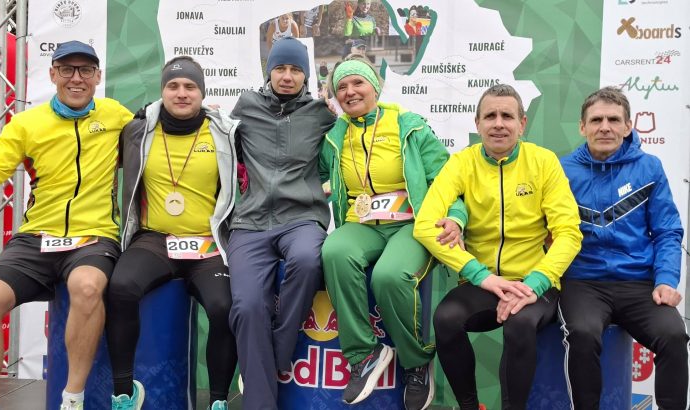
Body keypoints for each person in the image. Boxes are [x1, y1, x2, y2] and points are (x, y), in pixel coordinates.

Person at [0, 41, 132, 410]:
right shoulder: (27, 123)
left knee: (87, 287)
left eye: (85, 70)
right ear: (53, 74)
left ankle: (72, 399)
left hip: (93, 237)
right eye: (67, 69)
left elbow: (160, 133)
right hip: (36, 238)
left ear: (98, 76)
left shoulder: (116, 115)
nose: (76, 78)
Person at [413, 84, 583, 410]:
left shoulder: (543, 162)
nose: (499, 123)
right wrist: (481, 276)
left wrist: (535, 283)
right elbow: (425, 225)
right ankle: (469, 407)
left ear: (522, 123)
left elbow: (569, 233)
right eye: (490, 116)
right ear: (477, 124)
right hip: (484, 282)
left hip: (534, 283)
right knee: (446, 318)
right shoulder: (462, 163)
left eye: (507, 116)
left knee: (519, 324)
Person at [319, 56, 466, 409]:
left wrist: (456, 217)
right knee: (334, 252)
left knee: (388, 276)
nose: (350, 92)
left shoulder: (409, 126)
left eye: (358, 83)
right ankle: (363, 355)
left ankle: (417, 363)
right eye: (342, 87)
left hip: (411, 224)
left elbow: (448, 179)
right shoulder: (334, 137)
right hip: (362, 224)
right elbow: (313, 174)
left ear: (375, 87)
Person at [105, 56, 239, 410]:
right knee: (120, 288)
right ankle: (124, 393)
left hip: (207, 242)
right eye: (173, 86)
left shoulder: (226, 133)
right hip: (155, 240)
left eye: (190, 86)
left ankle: (219, 401)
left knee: (224, 307)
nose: (181, 93)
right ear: (161, 92)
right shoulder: (136, 131)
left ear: (202, 93)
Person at [558, 87, 689, 410]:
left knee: (674, 336)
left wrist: (666, 280)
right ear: (582, 127)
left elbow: (667, 231)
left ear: (628, 126)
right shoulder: (561, 170)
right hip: (583, 282)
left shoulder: (650, 167)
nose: (605, 127)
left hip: (638, 283)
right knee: (583, 334)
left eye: (614, 120)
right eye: (596, 120)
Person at [227, 37, 336, 410]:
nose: (287, 76)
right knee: (246, 306)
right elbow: (211, 133)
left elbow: (354, 139)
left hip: (302, 218)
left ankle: (277, 353)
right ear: (268, 72)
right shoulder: (246, 107)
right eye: (280, 68)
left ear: (305, 76)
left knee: (307, 260)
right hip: (251, 222)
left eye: (295, 70)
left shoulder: (320, 114)